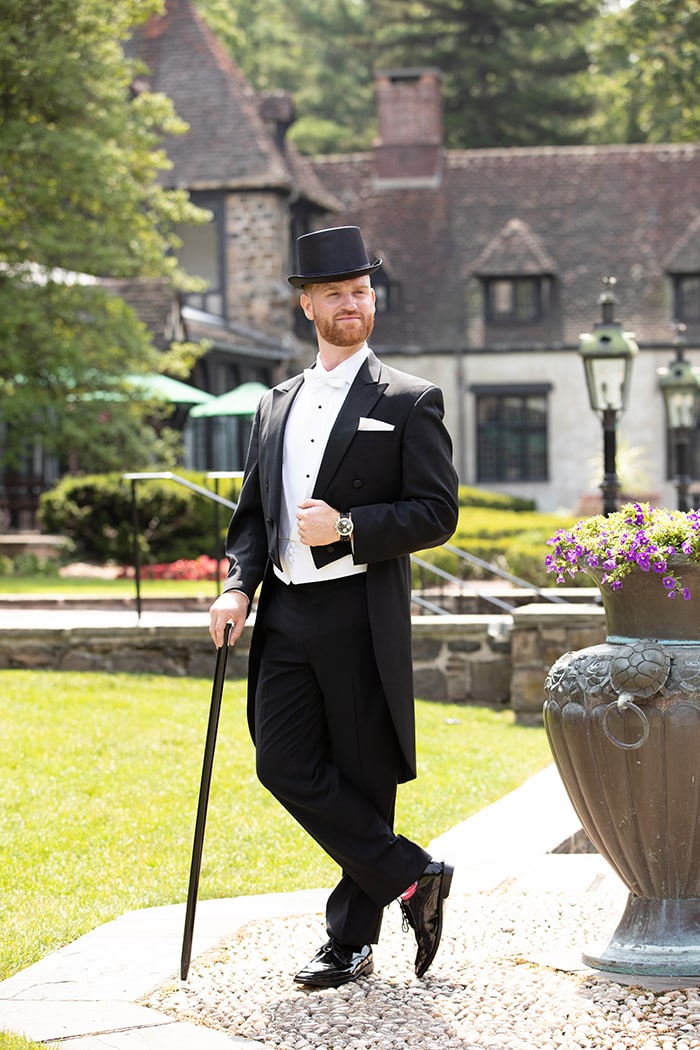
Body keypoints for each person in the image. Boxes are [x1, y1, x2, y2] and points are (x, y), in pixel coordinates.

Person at [209, 225, 459, 988]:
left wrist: (350, 528)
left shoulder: (411, 401)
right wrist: (235, 584)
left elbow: (437, 513)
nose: (353, 304)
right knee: (280, 761)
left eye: (362, 292)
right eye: (337, 294)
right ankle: (414, 874)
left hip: (359, 612)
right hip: (286, 613)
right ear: (307, 304)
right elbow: (254, 517)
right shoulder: (274, 402)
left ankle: (350, 942)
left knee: (362, 775)